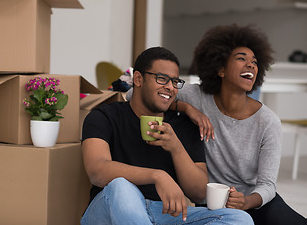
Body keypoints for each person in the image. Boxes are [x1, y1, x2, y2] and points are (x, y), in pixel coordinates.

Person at [80, 46, 253, 225]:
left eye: (175, 81)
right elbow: (97, 171)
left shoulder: (185, 126)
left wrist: (176, 148)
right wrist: (158, 176)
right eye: (162, 79)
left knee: (239, 219)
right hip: (108, 209)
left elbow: (199, 193)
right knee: (121, 186)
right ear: (138, 79)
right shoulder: (105, 116)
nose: (170, 87)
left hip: (162, 213)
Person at [170, 24, 307, 224]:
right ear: (221, 69)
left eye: (254, 62)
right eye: (241, 58)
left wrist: (246, 201)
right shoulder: (196, 97)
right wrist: (186, 108)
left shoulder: (267, 122)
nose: (251, 65)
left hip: (254, 203)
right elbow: (135, 94)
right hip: (212, 205)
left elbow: (268, 185)